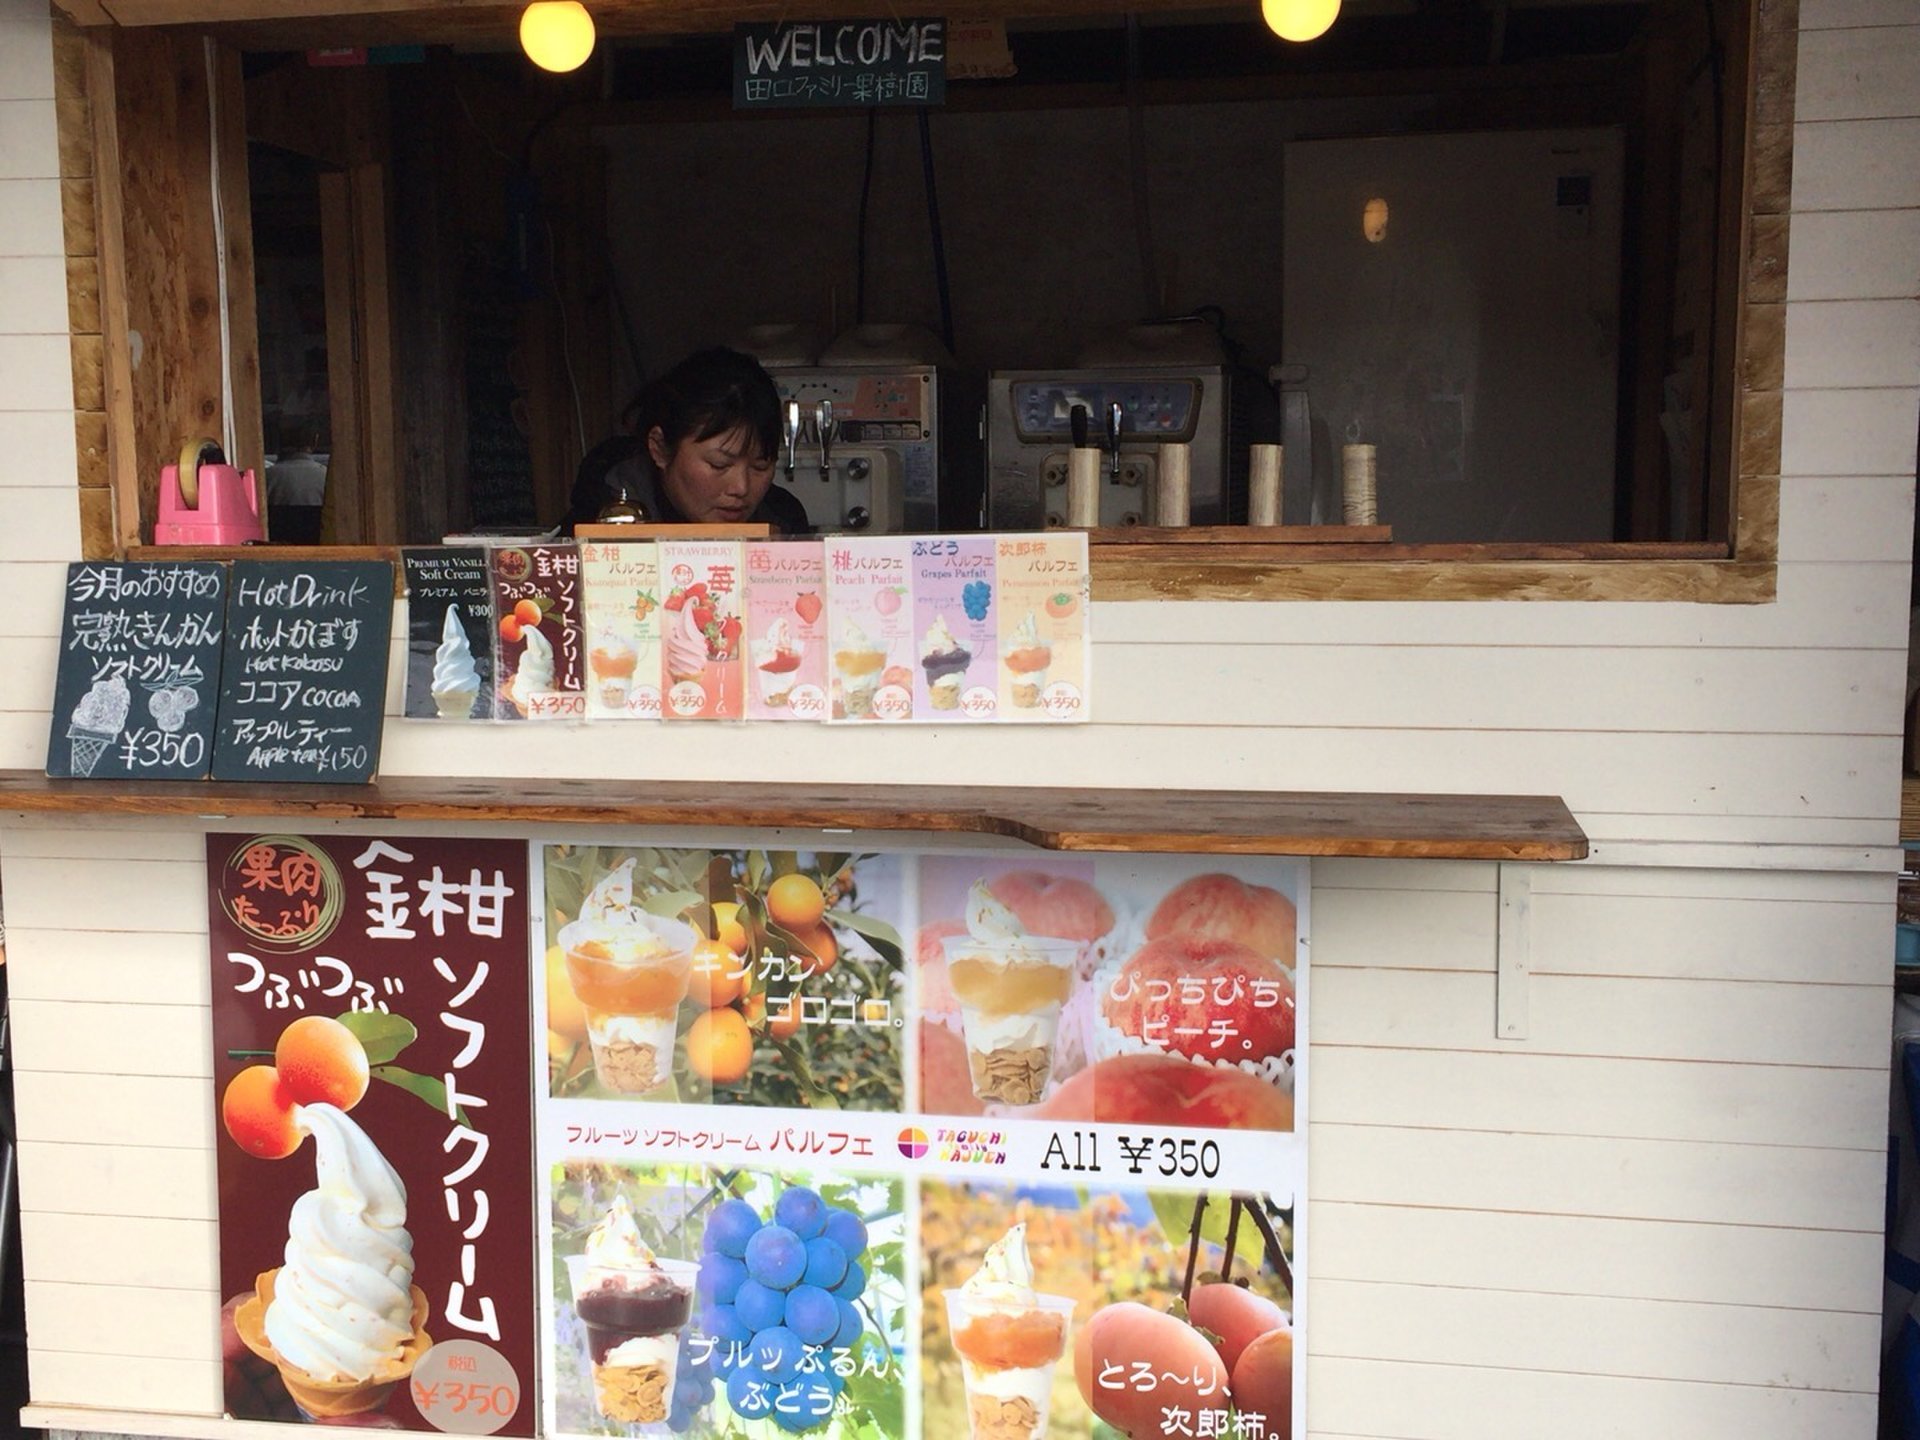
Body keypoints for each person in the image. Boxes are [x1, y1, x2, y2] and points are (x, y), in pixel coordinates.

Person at [566, 347, 810, 533]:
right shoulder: (599, 518)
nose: (741, 488)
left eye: (760, 466)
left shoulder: (783, 520)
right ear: (660, 448)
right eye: (719, 465)